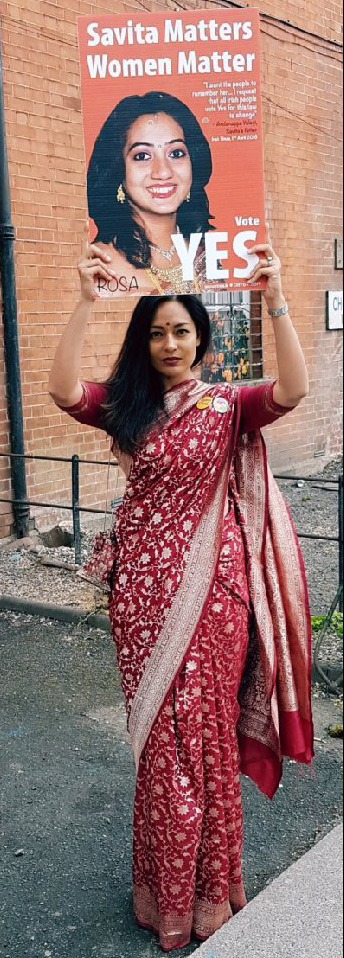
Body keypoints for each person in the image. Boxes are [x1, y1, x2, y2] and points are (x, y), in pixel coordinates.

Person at [48, 232, 314, 952]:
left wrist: (278, 300)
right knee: (162, 747)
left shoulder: (226, 407)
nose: (171, 342)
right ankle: (168, 888)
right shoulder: (127, 406)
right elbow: (63, 389)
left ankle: (203, 893)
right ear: (145, 340)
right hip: (140, 601)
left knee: (201, 742)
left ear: (202, 340)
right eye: (159, 331)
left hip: (215, 597)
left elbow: (292, 390)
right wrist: (81, 303)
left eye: (182, 331)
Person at [87, 91, 218, 296]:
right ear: (117, 170)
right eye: (142, 156)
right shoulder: (103, 266)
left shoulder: (207, 253)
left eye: (176, 153)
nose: (163, 172)